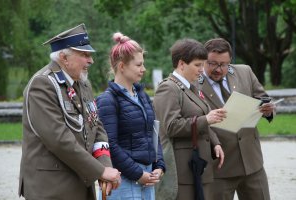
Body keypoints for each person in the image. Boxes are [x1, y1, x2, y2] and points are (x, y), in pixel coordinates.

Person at [18, 23, 121, 200]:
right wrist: (101, 171)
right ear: (64, 58)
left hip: (79, 183)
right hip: (52, 189)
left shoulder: (83, 83)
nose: (91, 61)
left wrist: (105, 165)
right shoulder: (42, 85)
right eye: (85, 55)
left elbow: (97, 127)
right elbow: (59, 140)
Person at [197, 38, 275, 200]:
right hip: (219, 166)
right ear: (204, 60)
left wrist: (268, 111)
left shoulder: (244, 72)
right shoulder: (194, 83)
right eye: (212, 64)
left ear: (230, 61)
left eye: (224, 64)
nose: (218, 69)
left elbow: (263, 99)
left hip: (252, 162)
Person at [153, 38, 226, 200]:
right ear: (181, 64)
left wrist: (215, 143)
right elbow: (171, 126)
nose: (202, 70)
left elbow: (202, 118)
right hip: (183, 172)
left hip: (199, 167)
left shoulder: (192, 87)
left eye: (203, 64)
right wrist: (206, 120)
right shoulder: (168, 88)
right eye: (197, 65)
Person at [96, 32, 166, 200]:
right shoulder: (107, 100)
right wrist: (137, 174)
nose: (144, 69)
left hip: (147, 180)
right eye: (138, 65)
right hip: (124, 183)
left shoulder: (142, 95)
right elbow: (110, 145)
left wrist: (159, 165)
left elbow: (153, 132)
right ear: (121, 66)